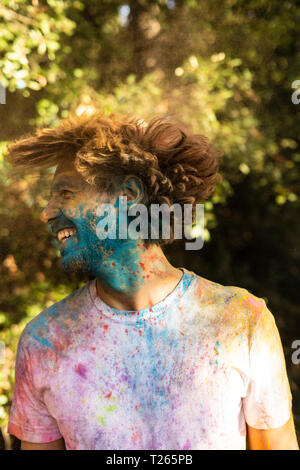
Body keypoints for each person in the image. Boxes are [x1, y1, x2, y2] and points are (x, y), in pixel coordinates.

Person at [6, 112, 298, 450]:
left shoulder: (242, 319)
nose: (47, 211)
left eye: (66, 192)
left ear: (127, 196)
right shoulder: (44, 342)